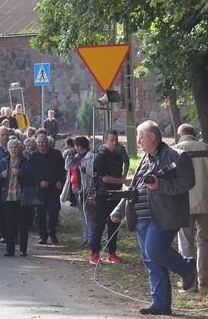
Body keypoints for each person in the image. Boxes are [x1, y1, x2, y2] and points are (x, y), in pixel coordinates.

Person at [110, 120, 196, 316]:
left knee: (155, 249)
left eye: (140, 137)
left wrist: (161, 186)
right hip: (141, 217)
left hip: (164, 215)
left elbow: (187, 182)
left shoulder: (177, 156)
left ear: (152, 137)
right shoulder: (145, 158)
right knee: (151, 260)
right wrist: (120, 209)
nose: (138, 141)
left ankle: (186, 268)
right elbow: (134, 188)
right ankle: (161, 304)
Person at [174, 123, 208, 292]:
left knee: (185, 243)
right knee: (204, 241)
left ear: (180, 136)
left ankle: (190, 283)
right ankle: (204, 280)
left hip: (183, 202)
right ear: (194, 135)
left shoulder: (175, 150)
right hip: (206, 200)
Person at [90, 129, 131, 265]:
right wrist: (123, 181)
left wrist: (122, 178)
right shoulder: (101, 156)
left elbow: (124, 166)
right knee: (100, 224)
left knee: (114, 223)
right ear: (105, 141)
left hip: (116, 194)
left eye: (116, 140)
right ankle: (95, 253)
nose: (114, 142)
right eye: (111, 140)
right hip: (103, 194)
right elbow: (105, 178)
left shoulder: (117, 156)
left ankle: (112, 252)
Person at [0, 138, 32, 257]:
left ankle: (23, 249)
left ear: (19, 149)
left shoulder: (25, 161)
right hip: (8, 197)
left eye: (15, 147)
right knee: (9, 224)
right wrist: (1, 175)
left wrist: (20, 173)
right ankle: (10, 250)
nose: (13, 149)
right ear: (8, 149)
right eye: (11, 147)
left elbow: (32, 175)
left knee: (23, 224)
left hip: (21, 196)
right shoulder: (3, 162)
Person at [24, 133, 65, 244]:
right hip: (39, 190)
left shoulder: (56, 154)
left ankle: (52, 232)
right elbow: (31, 173)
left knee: (53, 212)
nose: (41, 144)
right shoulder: (33, 156)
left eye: (43, 142)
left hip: (53, 189)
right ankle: (42, 235)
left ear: (47, 143)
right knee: (39, 214)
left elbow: (63, 170)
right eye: (39, 143)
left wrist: (60, 182)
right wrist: (39, 183)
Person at [61, 136, 95, 248]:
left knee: (88, 215)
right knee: (82, 215)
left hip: (85, 188)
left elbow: (95, 172)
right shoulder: (76, 157)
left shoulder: (90, 156)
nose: (74, 148)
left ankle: (91, 239)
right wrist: (70, 155)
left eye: (75, 145)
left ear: (80, 146)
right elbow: (67, 167)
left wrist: (86, 170)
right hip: (76, 189)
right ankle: (86, 238)